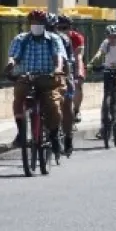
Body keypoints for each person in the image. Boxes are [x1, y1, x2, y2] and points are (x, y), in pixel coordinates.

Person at [4, 9, 66, 151]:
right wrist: (11, 64)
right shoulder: (21, 39)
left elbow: (59, 57)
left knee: (53, 106)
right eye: (33, 22)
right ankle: (21, 132)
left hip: (47, 77)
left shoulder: (53, 39)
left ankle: (54, 135)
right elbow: (14, 56)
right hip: (26, 76)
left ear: (44, 24)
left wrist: (57, 69)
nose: (35, 25)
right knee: (19, 97)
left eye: (38, 22)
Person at [89, 24, 116, 139]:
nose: (112, 39)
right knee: (106, 101)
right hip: (109, 70)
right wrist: (92, 62)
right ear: (107, 36)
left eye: (115, 36)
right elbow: (100, 53)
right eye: (110, 36)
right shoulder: (105, 44)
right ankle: (103, 128)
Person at [46, 14, 78, 154]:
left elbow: (69, 60)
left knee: (66, 104)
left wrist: (68, 77)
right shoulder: (34, 39)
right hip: (42, 75)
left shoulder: (63, 39)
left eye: (53, 27)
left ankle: (68, 137)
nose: (50, 30)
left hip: (61, 74)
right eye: (47, 27)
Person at [56, 14, 86, 123]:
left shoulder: (77, 37)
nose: (62, 31)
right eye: (59, 28)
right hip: (58, 65)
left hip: (73, 63)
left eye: (65, 28)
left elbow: (79, 57)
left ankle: (77, 110)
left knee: (78, 84)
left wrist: (79, 73)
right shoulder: (54, 38)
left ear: (70, 27)